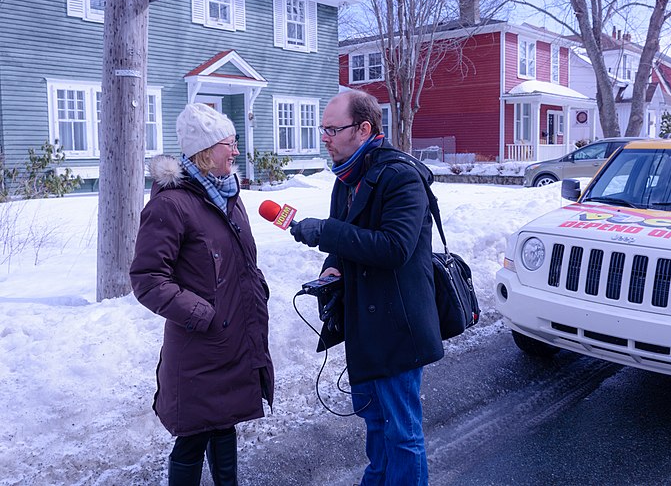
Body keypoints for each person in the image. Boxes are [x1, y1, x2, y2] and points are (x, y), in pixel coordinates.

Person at [290, 90, 443, 485]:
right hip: (363, 324)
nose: (324, 137)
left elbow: (395, 248)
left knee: (402, 433)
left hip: (398, 326)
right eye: (322, 129)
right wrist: (332, 269)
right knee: (376, 425)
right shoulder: (346, 178)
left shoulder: (401, 176)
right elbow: (346, 245)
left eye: (331, 129)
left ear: (363, 128)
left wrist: (326, 232)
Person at [130, 103, 274, 486]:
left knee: (225, 426)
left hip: (235, 339)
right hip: (200, 345)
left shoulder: (228, 194)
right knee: (193, 438)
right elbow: (146, 278)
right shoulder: (171, 204)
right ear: (207, 151)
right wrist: (201, 313)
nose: (237, 151)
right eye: (230, 143)